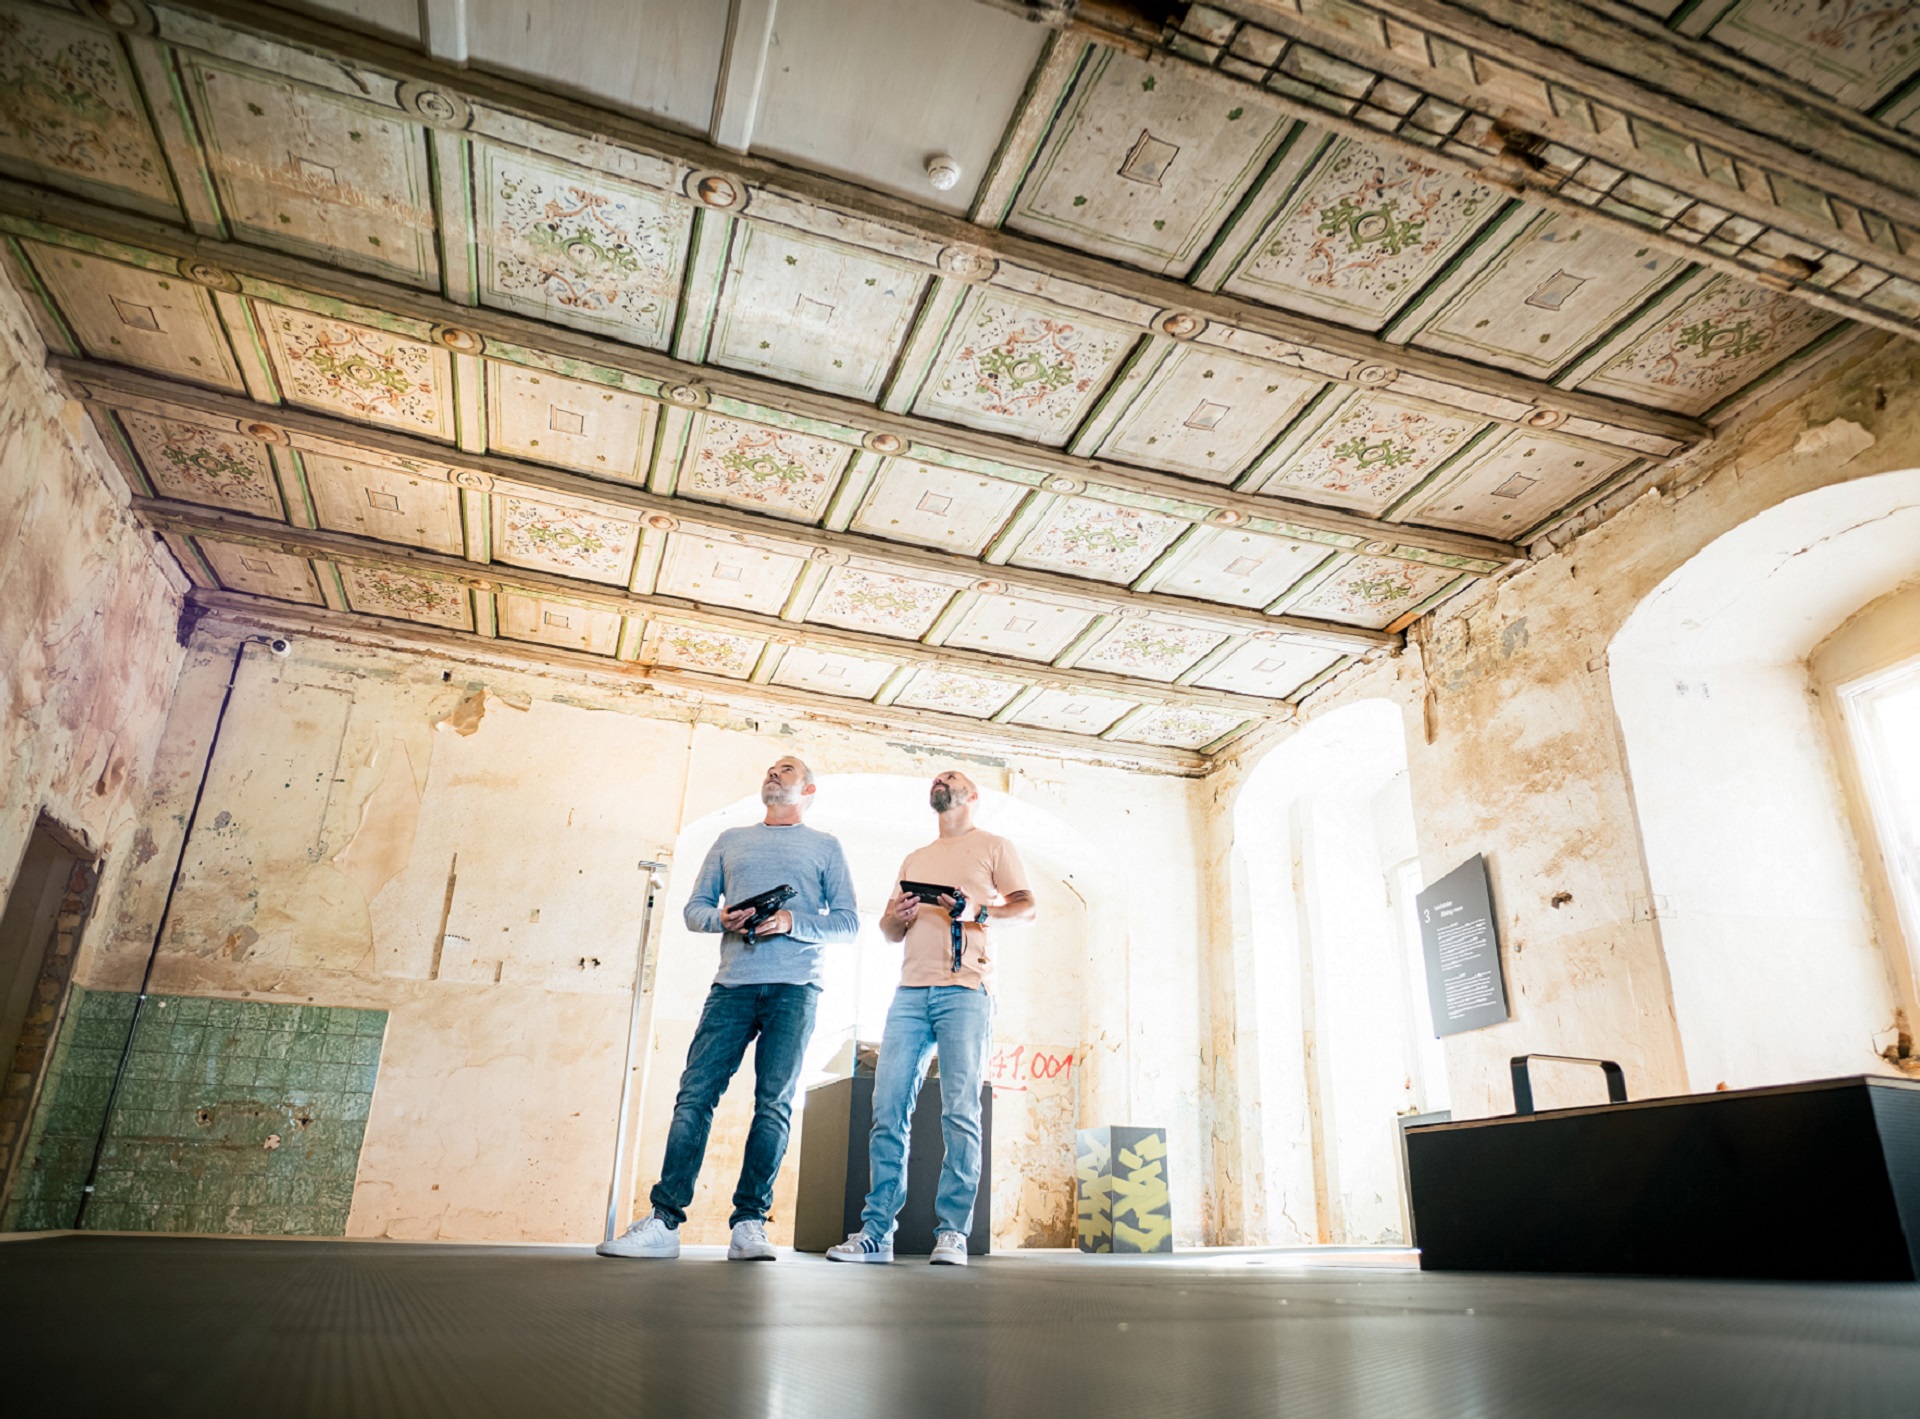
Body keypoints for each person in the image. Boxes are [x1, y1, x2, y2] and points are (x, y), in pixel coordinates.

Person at [599, 755, 857, 1262]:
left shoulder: (825, 846)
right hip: (732, 987)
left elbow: (848, 923)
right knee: (694, 1097)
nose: (774, 773)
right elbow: (694, 911)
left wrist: (791, 921)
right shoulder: (730, 840)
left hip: (795, 989)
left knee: (774, 1104)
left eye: (787, 769)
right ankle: (664, 1221)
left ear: (808, 789)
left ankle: (750, 1224)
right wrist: (726, 919)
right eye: (771, 769)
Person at [826, 769, 1034, 1266]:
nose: (941, 778)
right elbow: (888, 930)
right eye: (938, 777)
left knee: (960, 1112)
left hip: (967, 990)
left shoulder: (995, 846)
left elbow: (1026, 909)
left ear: (972, 796)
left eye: (952, 776)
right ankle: (877, 1232)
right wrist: (896, 916)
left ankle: (953, 1232)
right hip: (910, 994)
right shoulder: (915, 858)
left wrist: (976, 911)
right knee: (888, 1110)